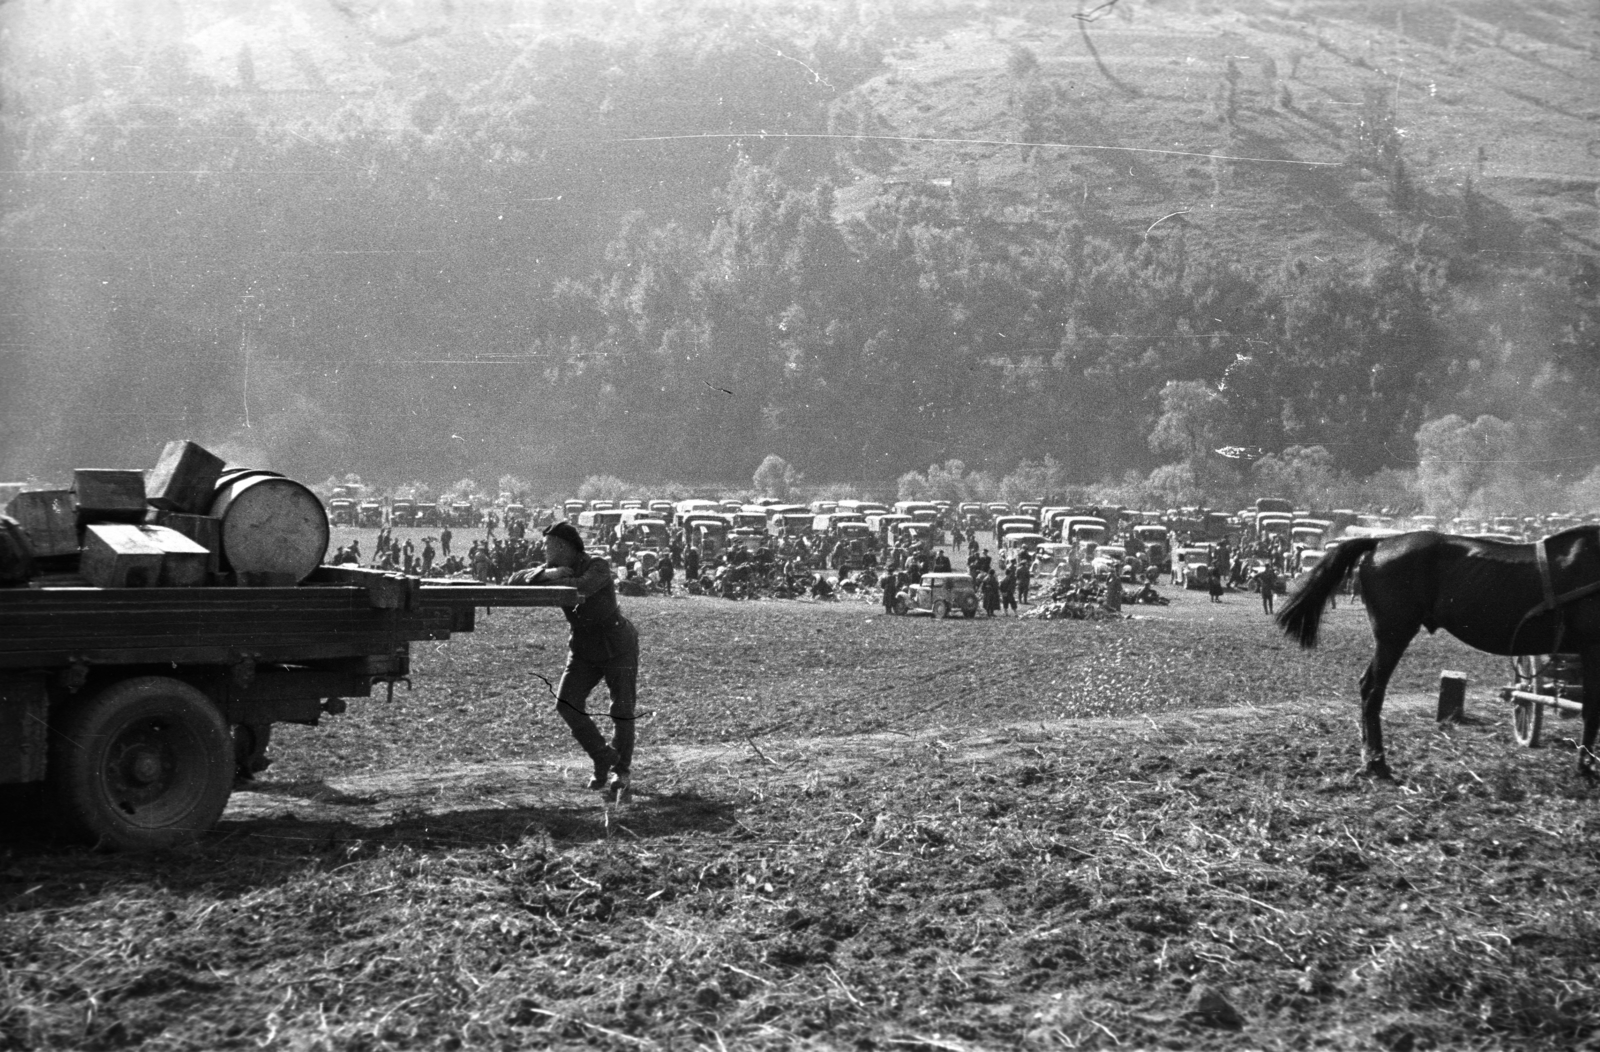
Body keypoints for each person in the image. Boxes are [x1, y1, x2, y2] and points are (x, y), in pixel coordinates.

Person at [516, 522, 638, 793]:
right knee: (566, 704)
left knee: (622, 710)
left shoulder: (597, 565)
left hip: (616, 644)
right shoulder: (552, 568)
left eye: (547, 545)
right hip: (583, 646)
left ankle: (622, 772)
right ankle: (602, 757)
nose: (542, 549)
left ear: (563, 546)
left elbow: (580, 588)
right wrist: (549, 574)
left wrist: (548, 578)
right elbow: (514, 579)